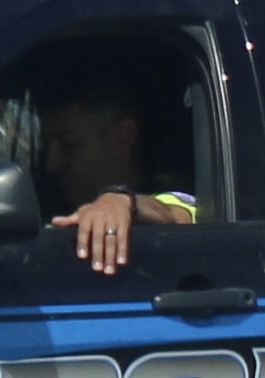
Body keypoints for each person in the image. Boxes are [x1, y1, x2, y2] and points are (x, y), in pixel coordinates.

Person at [32, 52, 198, 276]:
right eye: (45, 145)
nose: (51, 164)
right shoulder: (45, 201)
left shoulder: (171, 191)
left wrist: (119, 201)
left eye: (69, 145)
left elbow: (174, 214)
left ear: (123, 138)